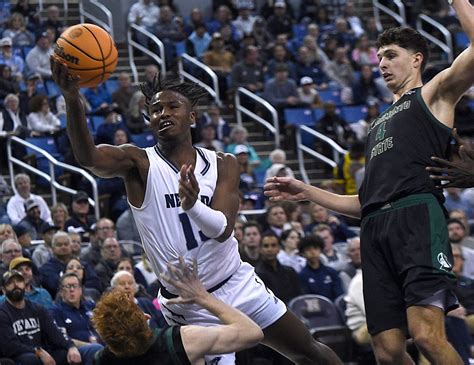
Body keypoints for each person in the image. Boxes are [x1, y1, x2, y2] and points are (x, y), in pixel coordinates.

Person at [51, 57, 342, 365]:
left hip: (235, 281)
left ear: (192, 116)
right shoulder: (139, 163)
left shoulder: (223, 163)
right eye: (156, 109)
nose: (163, 113)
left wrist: (192, 206)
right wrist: (72, 99)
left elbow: (223, 229)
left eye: (173, 107)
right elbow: (89, 158)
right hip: (189, 302)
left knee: (308, 351)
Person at [265, 14, 474, 363]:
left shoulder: (432, 94)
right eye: (378, 58)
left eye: (390, 55)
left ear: (416, 59)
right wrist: (308, 192)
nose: (382, 64)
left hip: (416, 216)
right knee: (387, 351)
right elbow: (365, 202)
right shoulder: (378, 122)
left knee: (426, 335)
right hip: (375, 228)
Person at [92, 258, 263, 364]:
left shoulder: (100, 359)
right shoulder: (182, 340)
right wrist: (204, 297)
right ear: (145, 317)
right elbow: (253, 332)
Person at [0, 270, 82, 365]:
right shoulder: (2, 313)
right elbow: (10, 346)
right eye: (10, 283)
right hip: (20, 356)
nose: (16, 285)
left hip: (42, 352)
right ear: (4, 290)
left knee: (66, 354)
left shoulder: (37, 309)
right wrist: (37, 351)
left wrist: (71, 346)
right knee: (30, 359)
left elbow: (54, 333)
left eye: (19, 281)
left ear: (25, 286)